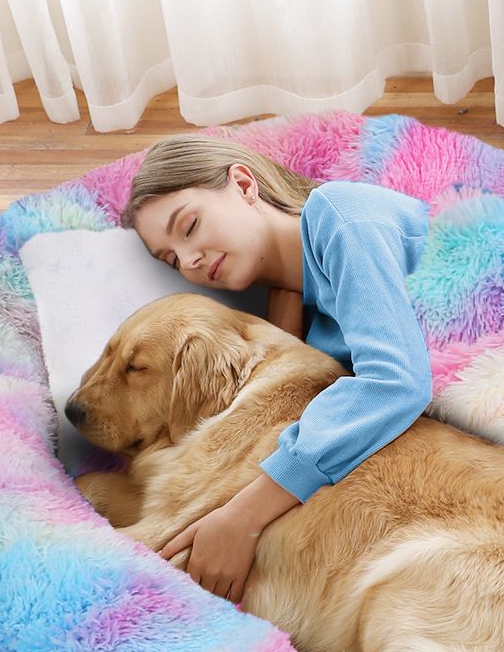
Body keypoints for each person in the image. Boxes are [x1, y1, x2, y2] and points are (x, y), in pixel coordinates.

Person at [122, 134, 434, 604]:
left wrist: (243, 518)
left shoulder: (339, 214)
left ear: (244, 185)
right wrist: (286, 323)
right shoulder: (297, 315)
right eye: (171, 259)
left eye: (189, 226)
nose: (189, 260)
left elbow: (396, 382)